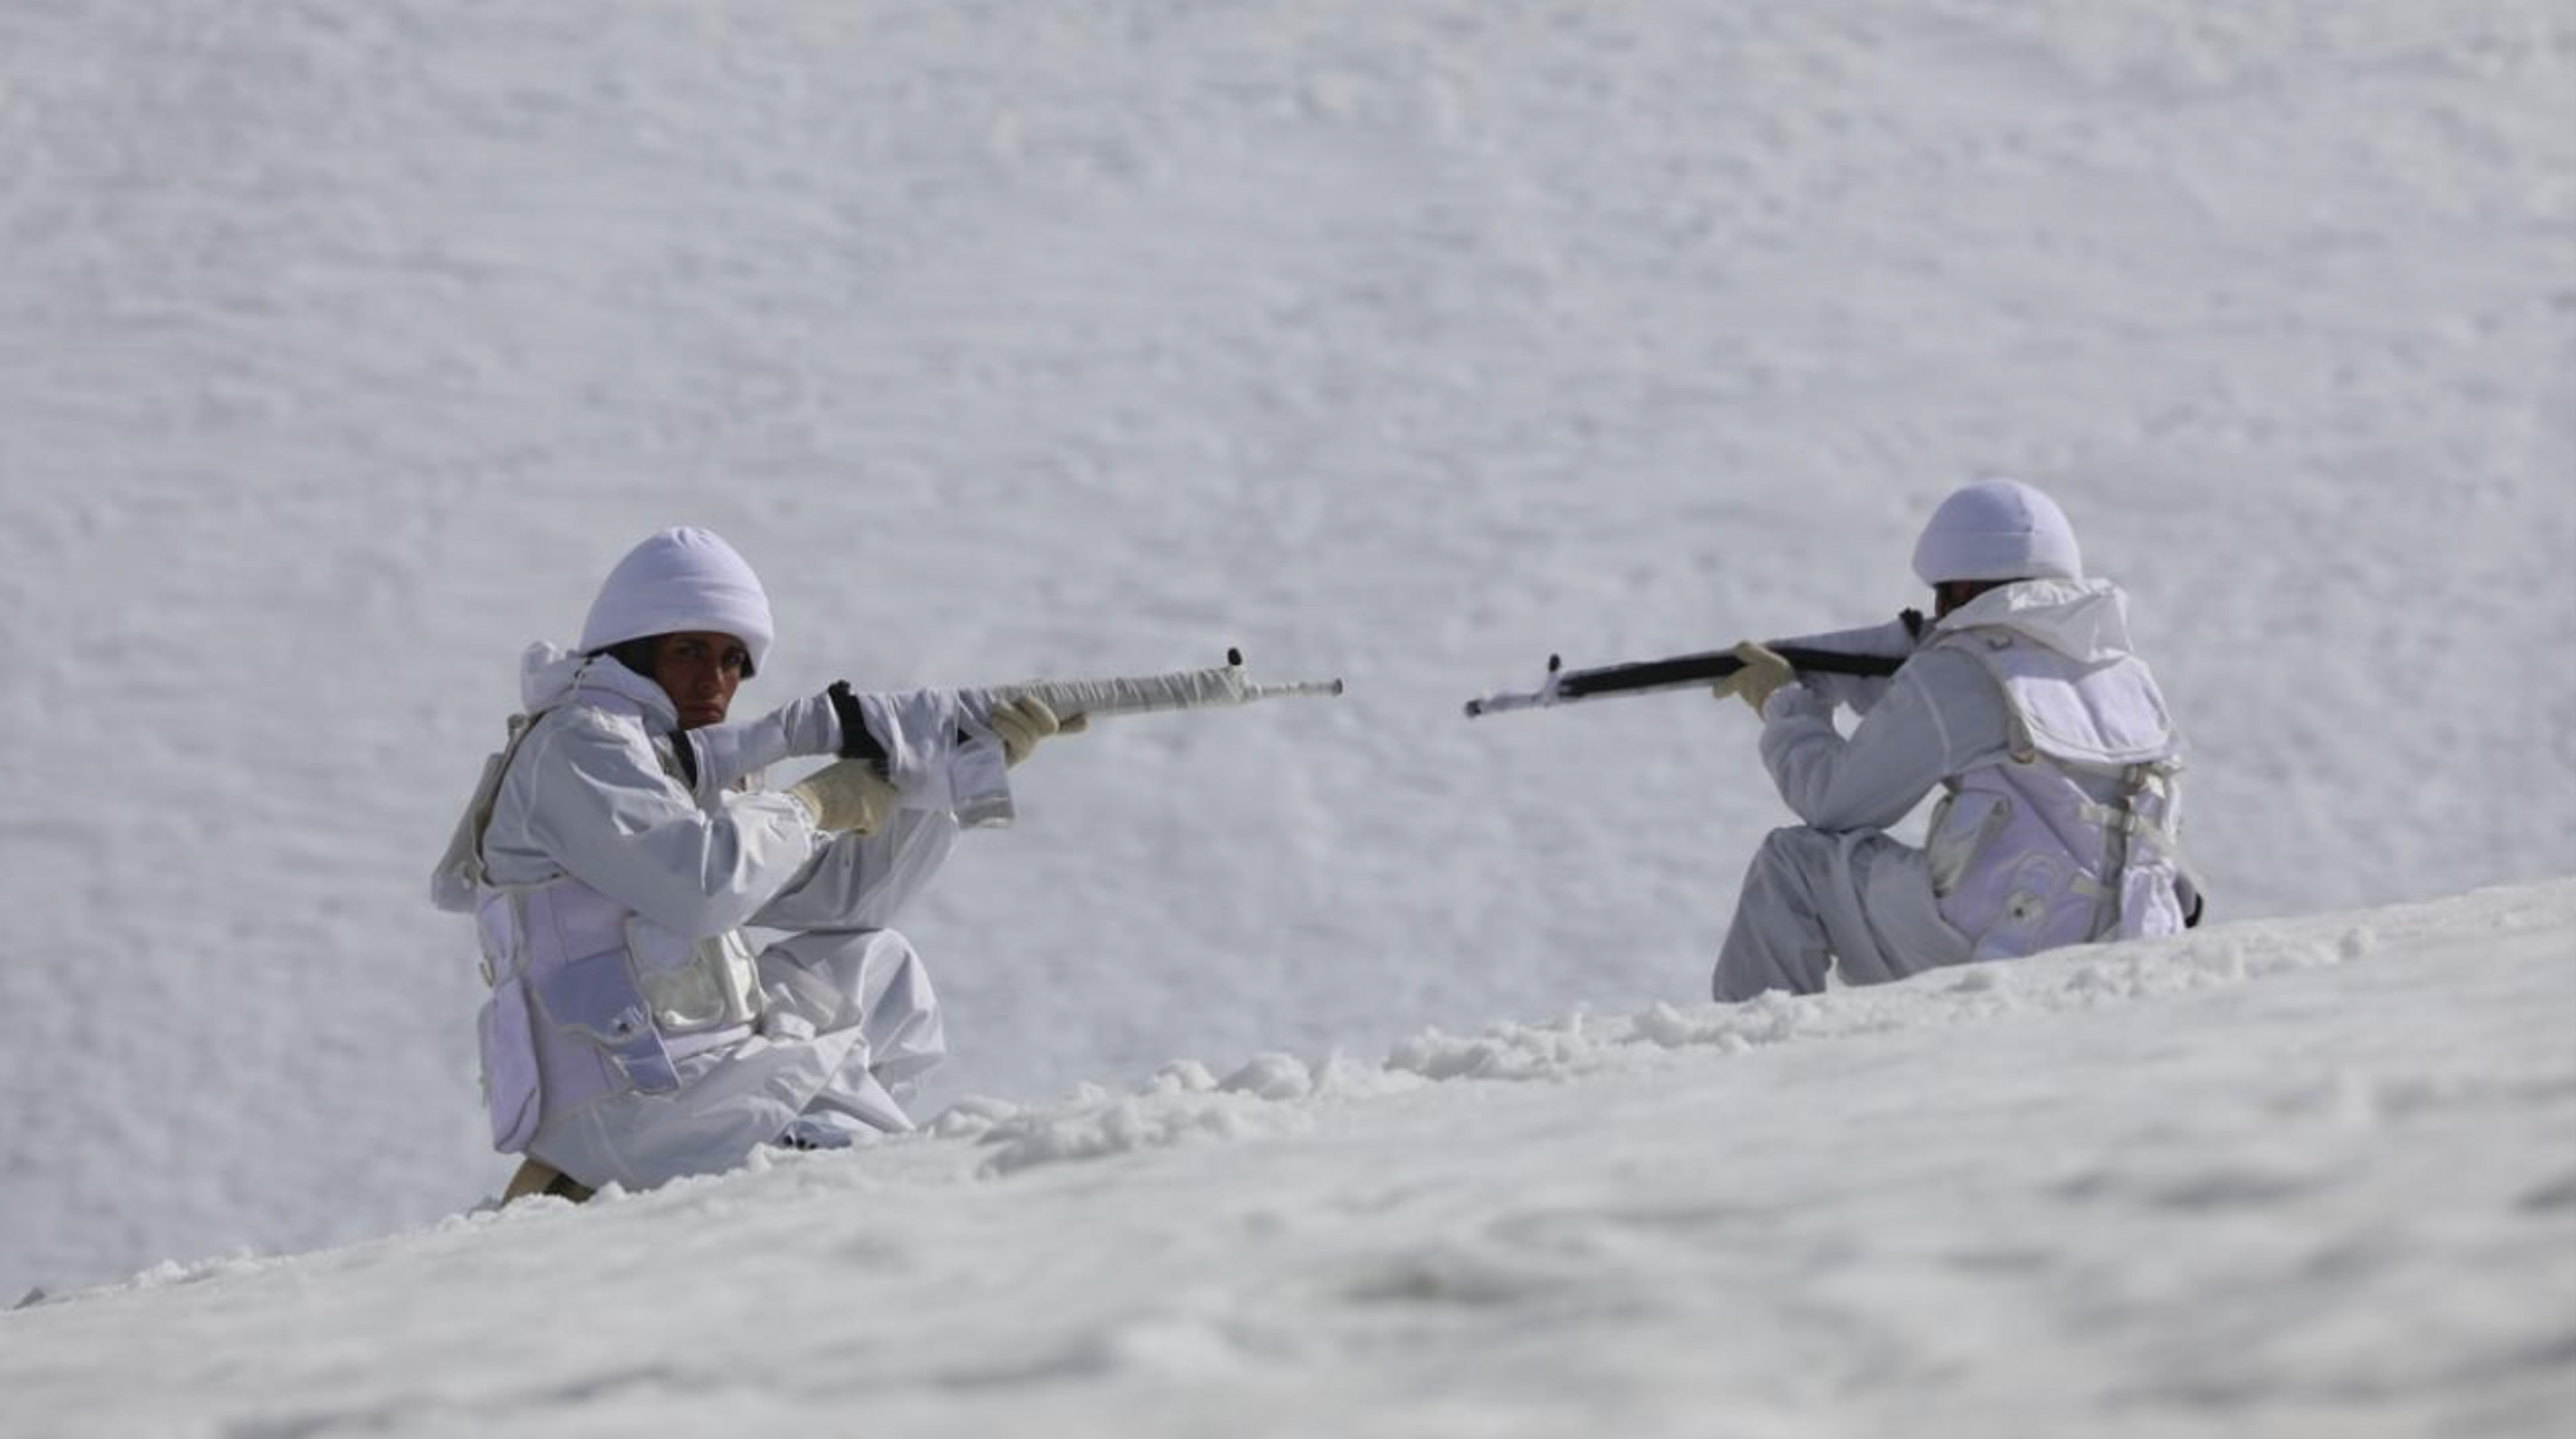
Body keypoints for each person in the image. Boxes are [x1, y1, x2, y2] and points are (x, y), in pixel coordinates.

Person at [432, 527, 1078, 1201]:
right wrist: (814, 803)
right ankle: (771, 1152)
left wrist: (940, 774)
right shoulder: (579, 743)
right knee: (872, 1177)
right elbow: (702, 885)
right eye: (688, 651)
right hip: (635, 1097)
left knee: (877, 964)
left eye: (733, 660)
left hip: (702, 1072)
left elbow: (840, 903)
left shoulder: (680, 759)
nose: (714, 679)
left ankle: (807, 1130)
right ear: (632, 651)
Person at [1708, 479, 2198, 1002]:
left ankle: (1749, 1054)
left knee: (1794, 862)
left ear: (1962, 588)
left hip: (2004, 939)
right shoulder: (2124, 673)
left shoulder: (1958, 672)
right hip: (2129, 936)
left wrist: (1785, 706)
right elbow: (1975, 726)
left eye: (1941, 595)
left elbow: (1833, 802)